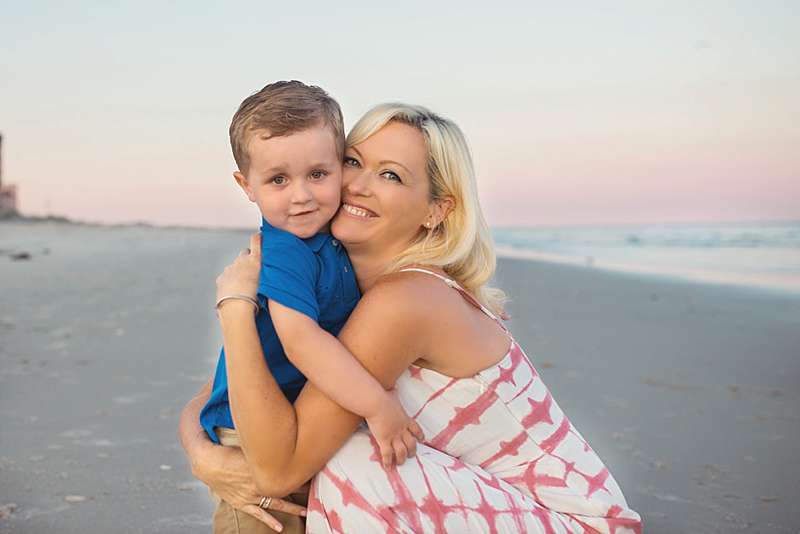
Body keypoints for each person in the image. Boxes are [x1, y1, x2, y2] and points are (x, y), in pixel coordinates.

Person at [180, 103, 643, 533]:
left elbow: (276, 472)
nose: (359, 184)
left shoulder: (406, 300)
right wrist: (202, 453)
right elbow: (221, 389)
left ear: (437, 210)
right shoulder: (331, 277)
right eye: (354, 162)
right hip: (493, 502)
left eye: (391, 176)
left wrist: (236, 307)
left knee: (354, 457)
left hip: (573, 522)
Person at [199, 82, 421, 533]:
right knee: (263, 522)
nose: (301, 195)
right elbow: (300, 340)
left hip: (300, 417)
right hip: (249, 433)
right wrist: (377, 405)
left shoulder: (330, 237)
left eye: (317, 174)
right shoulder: (284, 250)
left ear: (340, 168)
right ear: (246, 186)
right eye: (278, 180)